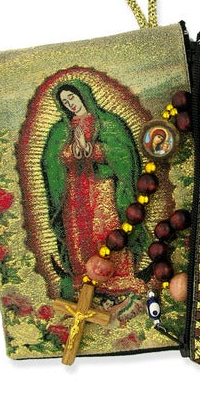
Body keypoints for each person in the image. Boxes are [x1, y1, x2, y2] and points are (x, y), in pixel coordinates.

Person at [42, 80, 148, 300]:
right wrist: (70, 151)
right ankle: (83, 274)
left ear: (82, 95)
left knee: (106, 227)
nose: (70, 104)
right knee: (78, 231)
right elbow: (51, 161)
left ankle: (119, 275)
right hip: (74, 187)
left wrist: (93, 149)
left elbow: (124, 154)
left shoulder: (108, 123)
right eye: (65, 102)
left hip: (102, 185)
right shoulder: (60, 130)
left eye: (72, 97)